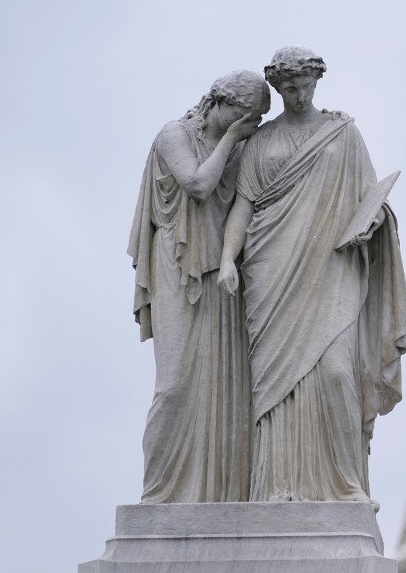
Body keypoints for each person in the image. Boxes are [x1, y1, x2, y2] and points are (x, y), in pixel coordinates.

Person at [219, 46, 406, 503]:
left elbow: (371, 197)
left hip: (331, 267)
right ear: (278, 89)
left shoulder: (343, 135)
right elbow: (243, 207)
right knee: (274, 386)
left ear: (317, 82)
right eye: (289, 88)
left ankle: (345, 485)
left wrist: (374, 221)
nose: (299, 93)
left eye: (305, 85)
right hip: (271, 271)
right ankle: (276, 487)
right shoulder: (260, 142)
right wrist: (228, 258)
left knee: (336, 374)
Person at [128, 70, 271, 503]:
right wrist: (232, 139)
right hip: (177, 264)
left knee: (224, 388)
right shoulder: (175, 134)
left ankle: (221, 495)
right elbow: (197, 185)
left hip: (223, 273)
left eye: (258, 119)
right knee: (173, 385)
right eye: (245, 115)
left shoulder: (245, 146)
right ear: (218, 103)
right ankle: (159, 494)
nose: (251, 126)